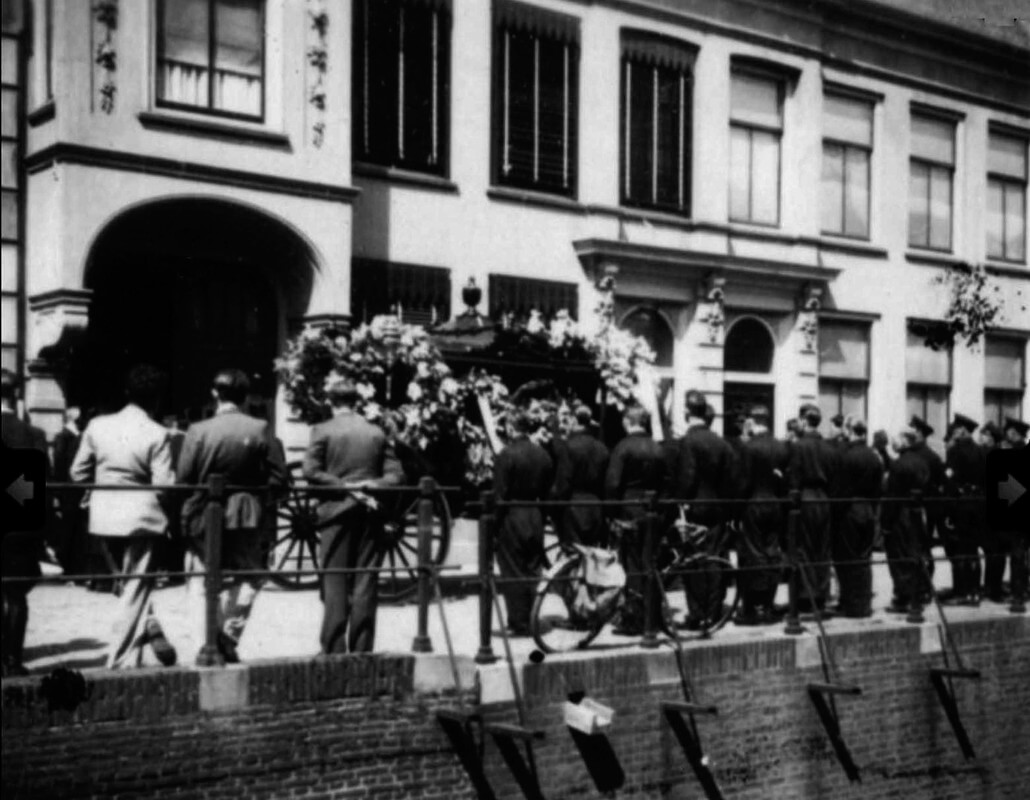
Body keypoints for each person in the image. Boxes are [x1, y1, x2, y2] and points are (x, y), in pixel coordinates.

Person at [70, 365, 177, 669]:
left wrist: (98, 487)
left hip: (103, 516)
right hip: (142, 517)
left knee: (127, 584)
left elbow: (77, 472)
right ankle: (119, 659)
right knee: (136, 586)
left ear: (128, 393)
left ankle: (144, 634)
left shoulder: (97, 426)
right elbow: (163, 485)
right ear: (156, 400)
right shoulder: (157, 433)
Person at [176, 370, 286, 663]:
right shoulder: (261, 428)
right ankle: (228, 635)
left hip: (202, 512)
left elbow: (184, 478)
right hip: (246, 513)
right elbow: (279, 478)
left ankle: (206, 643)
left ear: (215, 394)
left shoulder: (198, 430)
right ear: (246, 397)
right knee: (249, 576)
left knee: (201, 577)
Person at [303, 377, 403, 654]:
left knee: (334, 579)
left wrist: (341, 485)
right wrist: (371, 485)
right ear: (356, 402)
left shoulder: (322, 430)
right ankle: (362, 649)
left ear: (331, 402)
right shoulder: (375, 433)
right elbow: (396, 475)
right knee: (365, 581)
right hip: (370, 512)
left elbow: (310, 471)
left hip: (334, 514)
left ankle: (334, 648)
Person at [671, 390, 737, 628]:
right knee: (715, 558)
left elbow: (687, 477)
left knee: (694, 561)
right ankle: (715, 610)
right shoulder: (722, 444)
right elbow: (730, 480)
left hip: (695, 509)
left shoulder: (688, 441)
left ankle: (697, 613)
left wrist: (682, 501)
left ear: (687, 412)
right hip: (718, 508)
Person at [1, 369, 49, 676]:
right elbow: (42, 484)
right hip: (19, 524)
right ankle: (12, 661)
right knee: (16, 594)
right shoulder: (34, 435)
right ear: (17, 395)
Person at [605, 404, 667, 636]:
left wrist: (611, 514)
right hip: (652, 513)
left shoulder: (622, 448)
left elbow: (612, 483)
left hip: (628, 511)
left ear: (628, 422)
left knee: (631, 565)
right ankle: (653, 616)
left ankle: (634, 619)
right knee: (650, 563)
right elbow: (666, 483)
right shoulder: (657, 448)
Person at [492, 410, 554, 636]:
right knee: (531, 567)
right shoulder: (542, 455)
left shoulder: (506, 455)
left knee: (512, 568)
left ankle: (518, 621)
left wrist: (493, 526)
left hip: (513, 513)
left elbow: (500, 494)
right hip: (535, 514)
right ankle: (529, 615)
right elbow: (549, 493)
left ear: (510, 428)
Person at [736, 406, 788, 624]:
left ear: (752, 421)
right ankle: (767, 604)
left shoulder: (749, 448)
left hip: (754, 505)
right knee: (772, 553)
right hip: (775, 505)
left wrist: (738, 508)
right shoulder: (781, 447)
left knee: (753, 554)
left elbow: (744, 483)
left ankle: (752, 608)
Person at [787, 403, 839, 613]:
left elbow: (794, 478)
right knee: (822, 549)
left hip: (806, 499)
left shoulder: (799, 446)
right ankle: (821, 595)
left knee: (805, 549)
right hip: (824, 499)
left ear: (803, 421)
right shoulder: (829, 447)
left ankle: (806, 597)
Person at [833, 419, 882, 617]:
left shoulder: (846, 455)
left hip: (849, 510)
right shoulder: (874, 456)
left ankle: (850, 603)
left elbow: (839, 489)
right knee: (864, 557)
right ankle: (864, 603)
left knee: (847, 557)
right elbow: (879, 488)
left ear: (850, 431)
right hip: (868, 509)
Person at [882, 428, 931, 613]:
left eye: (898, 439)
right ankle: (918, 592)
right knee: (915, 552)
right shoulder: (922, 462)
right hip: (917, 512)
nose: (894, 442)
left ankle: (904, 597)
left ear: (905, 442)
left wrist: (886, 524)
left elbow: (892, 496)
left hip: (901, 515)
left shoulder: (898, 464)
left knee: (899, 555)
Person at [941, 414, 986, 606]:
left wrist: (948, 509)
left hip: (961, 506)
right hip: (978, 504)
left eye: (957, 429)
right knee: (973, 549)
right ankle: (974, 590)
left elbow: (949, 481)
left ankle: (961, 591)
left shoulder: (956, 451)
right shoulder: (982, 451)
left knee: (959, 549)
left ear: (962, 430)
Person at [551, 405, 609, 548]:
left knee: (574, 553)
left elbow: (563, 482)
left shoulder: (569, 447)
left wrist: (556, 509)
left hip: (573, 505)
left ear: (574, 421)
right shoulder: (602, 448)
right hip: (596, 506)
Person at [908, 415, 945, 600]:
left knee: (917, 547)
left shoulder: (916, 455)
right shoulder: (933, 456)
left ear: (919, 433)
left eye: (912, 429)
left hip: (918, 508)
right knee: (925, 547)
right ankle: (925, 586)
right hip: (928, 508)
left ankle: (919, 588)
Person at [52, 406, 87, 578]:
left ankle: (77, 566)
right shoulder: (63, 437)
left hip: (78, 490)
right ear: (72, 419)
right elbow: (59, 466)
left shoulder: (80, 437)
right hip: (68, 490)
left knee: (78, 528)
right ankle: (69, 566)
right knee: (69, 528)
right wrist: (58, 492)